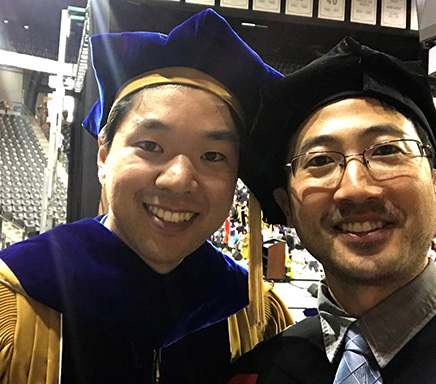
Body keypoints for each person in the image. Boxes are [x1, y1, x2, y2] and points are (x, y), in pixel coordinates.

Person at [0, 9, 293, 384]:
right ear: (104, 156)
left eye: (212, 156)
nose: (178, 179)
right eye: (151, 145)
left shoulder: (252, 311)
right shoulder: (18, 296)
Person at [228, 37, 436, 383]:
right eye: (320, 160)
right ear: (286, 206)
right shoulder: (256, 373)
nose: (356, 188)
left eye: (387, 151)